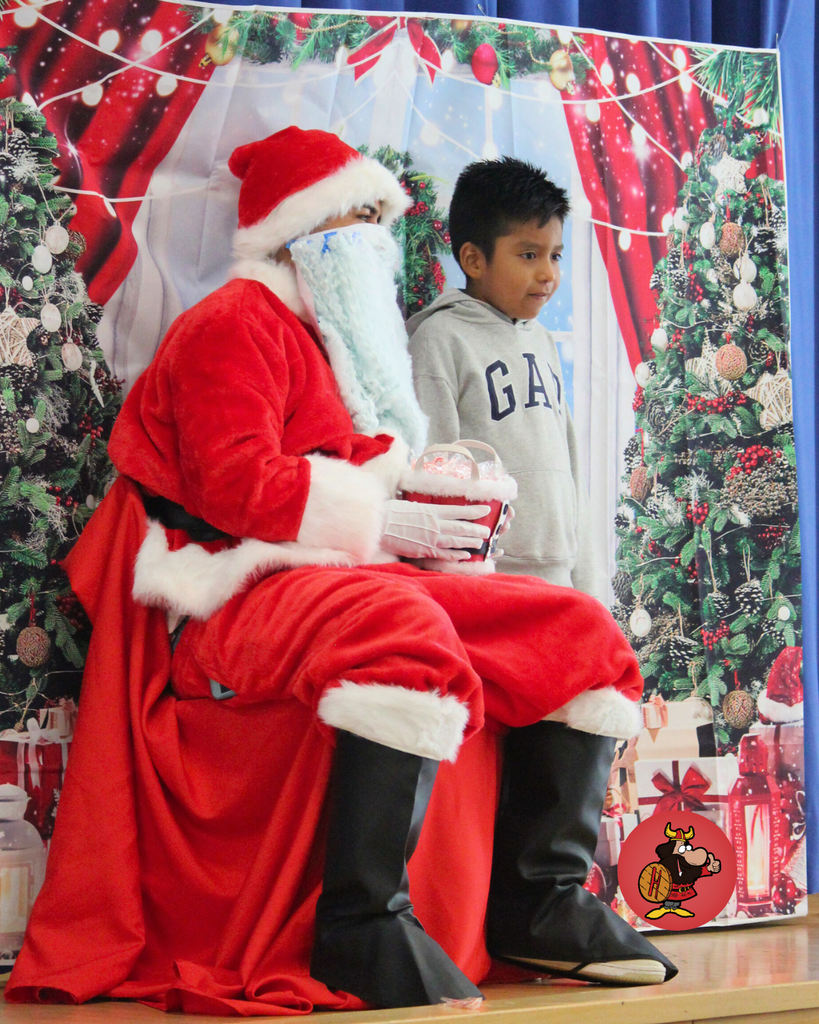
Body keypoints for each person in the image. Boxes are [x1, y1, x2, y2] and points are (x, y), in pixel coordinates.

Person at [7, 127, 675, 1014]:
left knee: (575, 631)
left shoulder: (325, 343)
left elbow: (356, 459)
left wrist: (434, 507)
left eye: (379, 219)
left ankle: (537, 901)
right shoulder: (230, 326)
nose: (375, 239)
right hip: (225, 594)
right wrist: (379, 513)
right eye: (360, 216)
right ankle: (360, 920)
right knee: (399, 629)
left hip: (319, 580)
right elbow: (235, 481)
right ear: (300, 229)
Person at [408, 157, 606, 600]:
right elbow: (429, 482)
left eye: (555, 255)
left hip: (559, 578)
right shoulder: (439, 340)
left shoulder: (543, 341)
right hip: (485, 583)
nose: (548, 274)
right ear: (474, 260)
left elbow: (570, 469)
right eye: (529, 255)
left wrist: (589, 590)